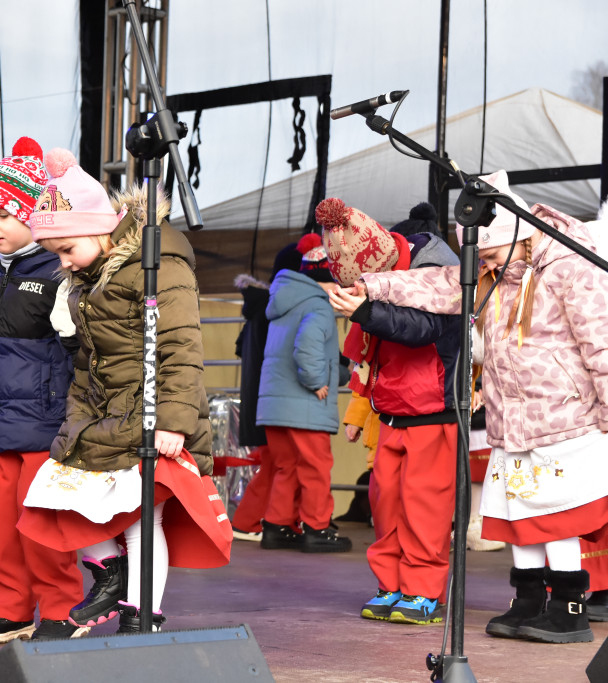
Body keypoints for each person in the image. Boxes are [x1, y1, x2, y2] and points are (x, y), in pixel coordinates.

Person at [350, 171, 608, 643]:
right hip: (512, 423)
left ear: (513, 232)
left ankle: (569, 606)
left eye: (486, 250)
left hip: (566, 420)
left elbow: (602, 344)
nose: (480, 260)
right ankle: (528, 599)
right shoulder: (493, 277)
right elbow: (437, 285)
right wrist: (370, 287)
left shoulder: (572, 266)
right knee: (517, 512)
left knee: (557, 514)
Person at [17, 148, 232, 634]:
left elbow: (180, 345)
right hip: (103, 414)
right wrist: (76, 421)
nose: (65, 264)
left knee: (140, 523)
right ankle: (110, 575)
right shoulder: (85, 282)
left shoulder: (160, 265)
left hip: (152, 415)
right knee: (58, 498)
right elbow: (88, 362)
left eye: (68, 249)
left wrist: (175, 421)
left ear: (98, 228)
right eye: (56, 256)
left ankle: (142, 617)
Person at [0, 137, 85, 642]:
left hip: (45, 426)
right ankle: (11, 609)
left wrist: (78, 418)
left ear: (33, 214)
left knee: (44, 527)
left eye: (4, 214)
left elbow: (79, 354)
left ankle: (63, 610)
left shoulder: (57, 272)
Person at [322, 197, 460, 626]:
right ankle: (392, 584)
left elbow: (423, 329)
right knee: (387, 505)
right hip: (392, 410)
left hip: (432, 409)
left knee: (425, 508)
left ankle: (424, 591)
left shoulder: (435, 271)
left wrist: (365, 309)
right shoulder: (390, 272)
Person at [254, 233, 351, 553]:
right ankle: (317, 528)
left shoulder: (284, 301)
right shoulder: (317, 306)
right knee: (316, 468)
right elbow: (307, 345)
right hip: (304, 405)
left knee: (287, 467)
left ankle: (277, 525)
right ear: (326, 279)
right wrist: (317, 381)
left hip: (276, 405)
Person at [229, 243, 302, 542]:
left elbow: (240, 348)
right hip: (274, 399)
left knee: (278, 462)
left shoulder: (260, 308)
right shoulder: (276, 309)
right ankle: (251, 521)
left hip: (261, 399)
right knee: (282, 463)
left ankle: (262, 520)